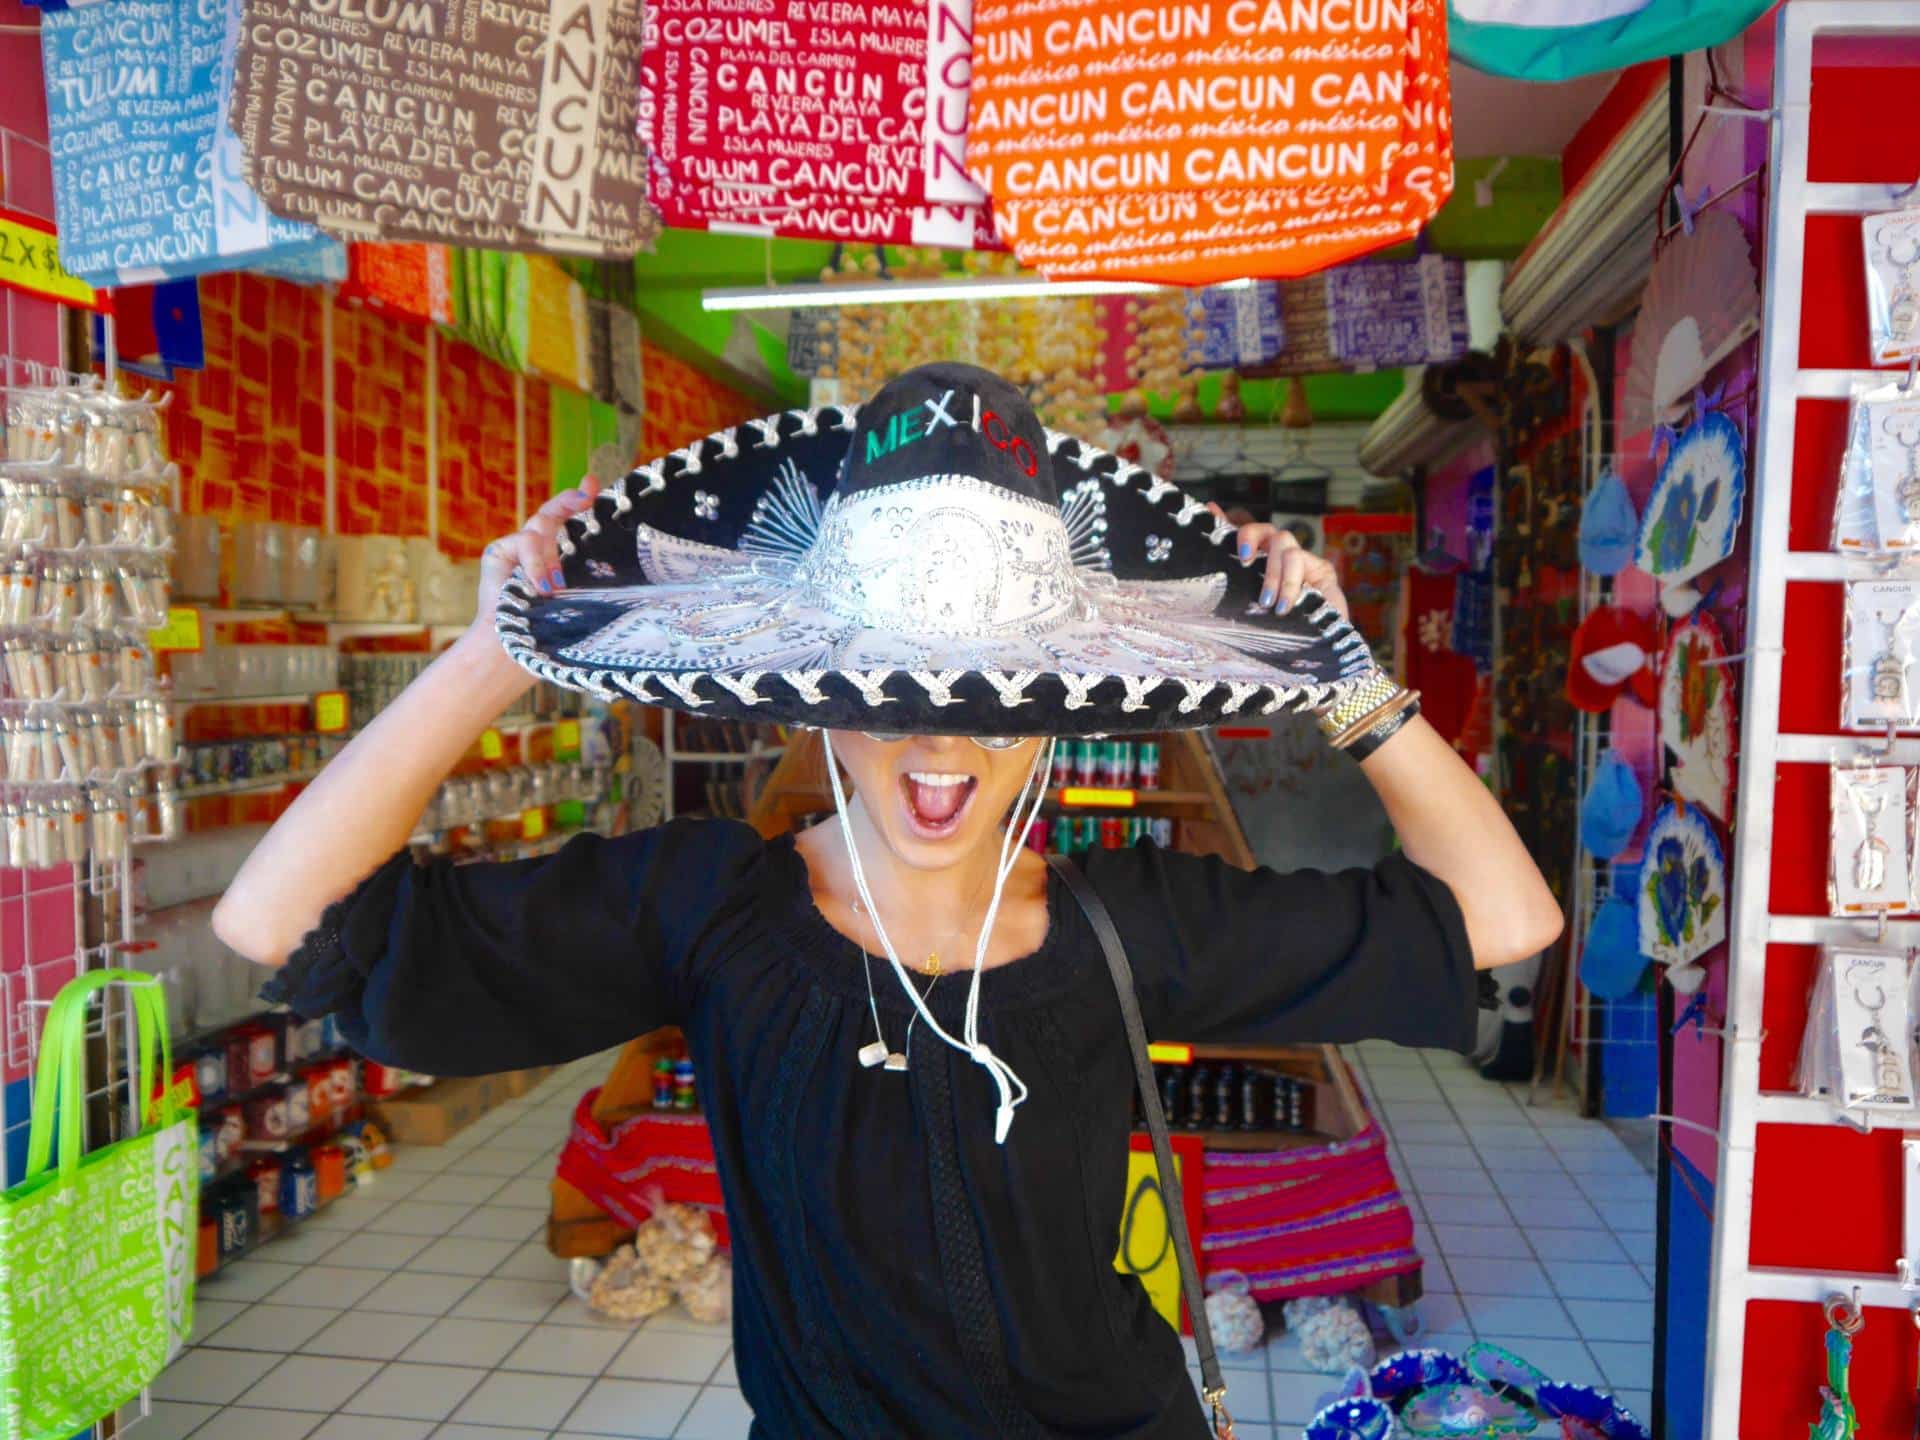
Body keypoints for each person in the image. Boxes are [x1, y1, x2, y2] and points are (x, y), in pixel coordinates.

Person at [216, 363, 1561, 1439]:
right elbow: (285, 925)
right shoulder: (713, 910)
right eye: (889, 686)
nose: (942, 744)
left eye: (997, 695)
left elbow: (1503, 919)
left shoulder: (1129, 923)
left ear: (1052, 718)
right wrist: (493, 651)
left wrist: (1341, 678)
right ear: (818, 694)